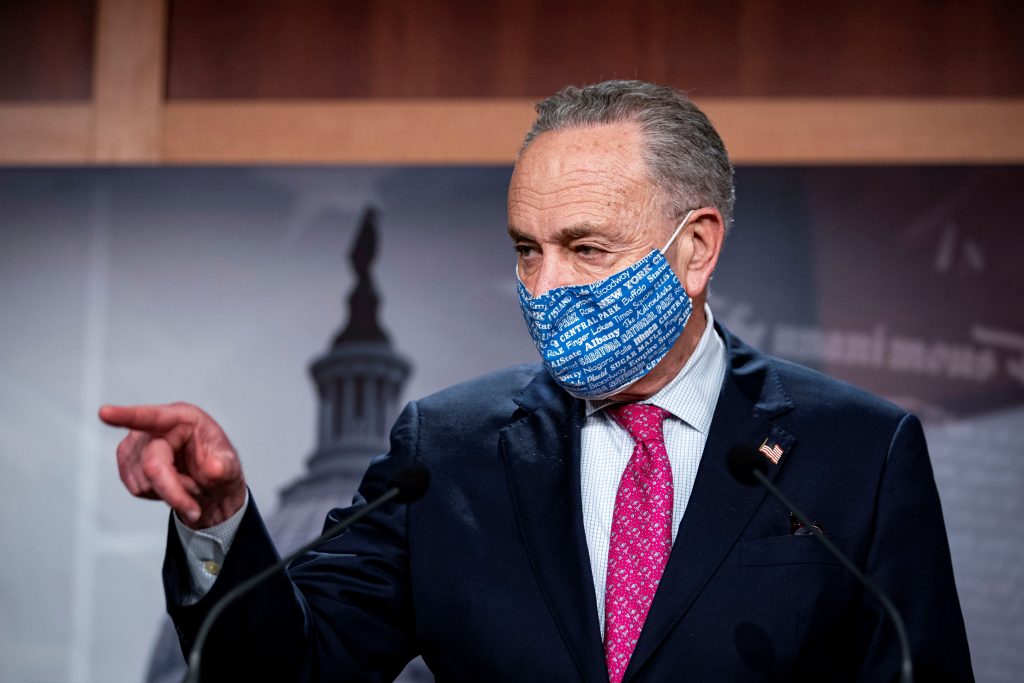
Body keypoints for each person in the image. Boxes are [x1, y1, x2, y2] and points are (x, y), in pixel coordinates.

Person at [101, 80, 973, 682]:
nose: (545, 286)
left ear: (697, 248)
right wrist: (219, 520)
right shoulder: (445, 453)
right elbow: (291, 668)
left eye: (585, 247)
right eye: (527, 249)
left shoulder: (859, 451)